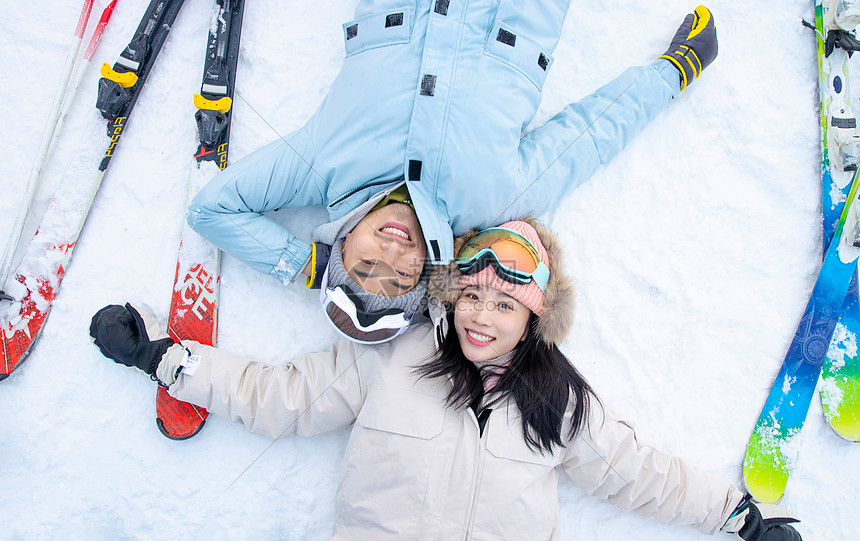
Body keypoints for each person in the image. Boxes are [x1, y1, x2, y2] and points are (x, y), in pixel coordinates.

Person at [89, 218, 803, 541]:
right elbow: (280, 395)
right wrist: (164, 358)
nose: (480, 316)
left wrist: (735, 515)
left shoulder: (560, 403)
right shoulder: (392, 357)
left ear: (535, 315)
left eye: (503, 302)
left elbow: (638, 472)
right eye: (471, 295)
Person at [185, 5, 719, 342]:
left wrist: (304, 265)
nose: (392, 253)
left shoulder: (321, 164)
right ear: (428, 274)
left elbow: (210, 209)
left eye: (365, 264)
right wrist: (674, 71)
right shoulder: (493, 201)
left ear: (340, 246)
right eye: (401, 276)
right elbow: (589, 135)